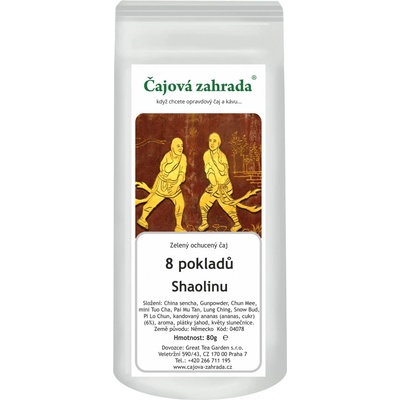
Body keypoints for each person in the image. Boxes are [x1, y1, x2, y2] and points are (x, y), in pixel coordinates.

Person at [136, 138, 186, 232]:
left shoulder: (183, 158)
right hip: (163, 185)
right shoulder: (168, 156)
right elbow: (164, 169)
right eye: (178, 146)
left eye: (182, 146)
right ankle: (142, 218)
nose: (181, 148)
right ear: (173, 147)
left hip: (174, 186)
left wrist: (176, 185)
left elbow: (182, 173)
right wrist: (174, 162)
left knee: (180, 204)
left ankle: (178, 226)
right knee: (152, 202)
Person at [198, 133, 242, 232]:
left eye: (214, 141)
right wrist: (214, 183)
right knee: (203, 201)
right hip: (214, 184)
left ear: (219, 143)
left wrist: (220, 185)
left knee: (226, 205)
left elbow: (224, 172)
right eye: (210, 140)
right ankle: (204, 223)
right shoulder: (206, 155)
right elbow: (208, 170)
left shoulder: (222, 156)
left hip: (223, 185)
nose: (212, 143)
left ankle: (237, 224)